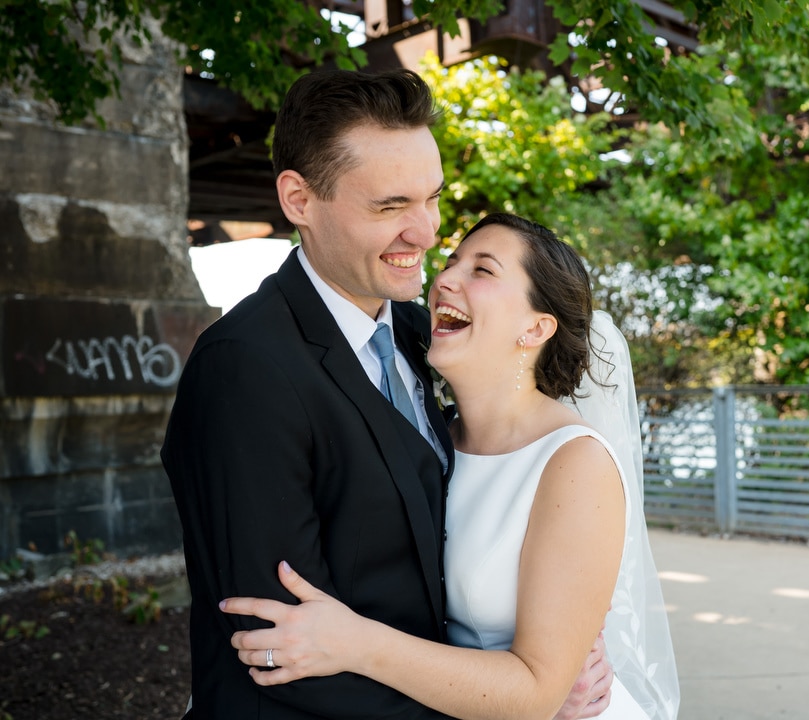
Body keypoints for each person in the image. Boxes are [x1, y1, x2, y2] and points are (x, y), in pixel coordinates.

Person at [162, 70, 611, 719]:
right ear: (299, 199)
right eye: (390, 206)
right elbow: (283, 650)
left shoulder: (420, 332)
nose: (426, 233)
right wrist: (510, 704)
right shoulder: (247, 368)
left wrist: (546, 658)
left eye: (430, 199)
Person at [219, 213, 680, 719]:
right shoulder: (431, 433)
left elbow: (536, 691)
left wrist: (355, 642)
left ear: (535, 327)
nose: (444, 279)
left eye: (483, 270)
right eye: (453, 261)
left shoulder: (575, 463)